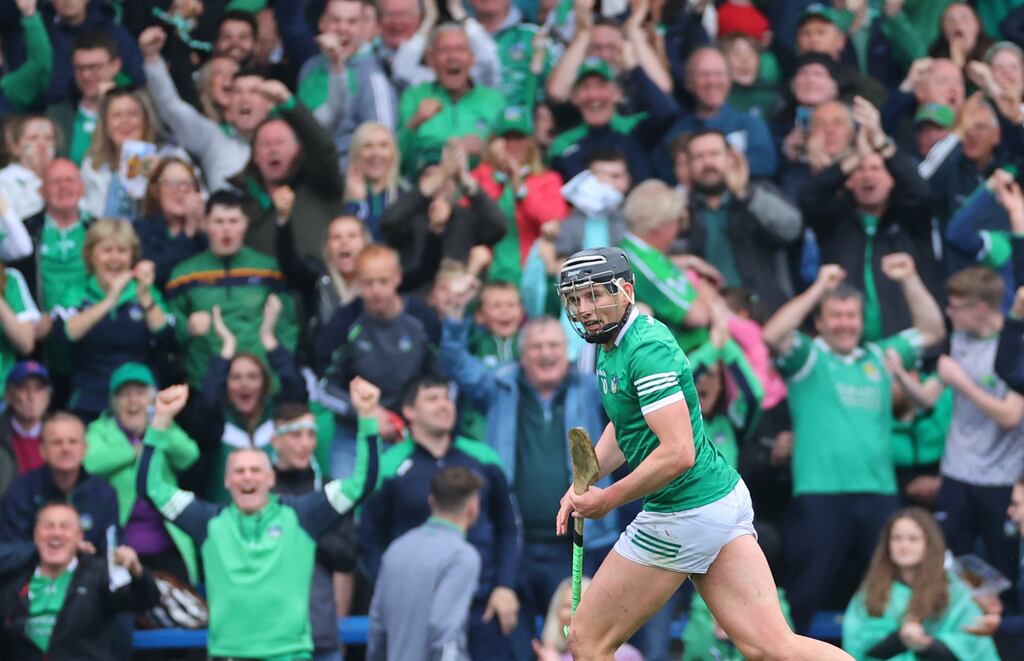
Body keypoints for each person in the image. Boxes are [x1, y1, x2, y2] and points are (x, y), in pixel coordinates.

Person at [553, 246, 853, 660]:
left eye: (594, 295)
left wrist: (608, 500)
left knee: (587, 639)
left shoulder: (645, 350)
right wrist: (585, 483)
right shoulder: (613, 346)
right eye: (575, 299)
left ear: (626, 291)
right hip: (717, 500)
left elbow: (679, 453)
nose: (584, 309)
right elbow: (626, 427)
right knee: (771, 647)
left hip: (684, 510)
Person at [761, 256, 946, 634]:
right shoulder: (809, 357)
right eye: (836, 316)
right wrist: (818, 288)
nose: (845, 324)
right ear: (820, 322)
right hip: (820, 493)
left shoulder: (879, 356)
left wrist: (910, 277)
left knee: (892, 588)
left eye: (851, 316)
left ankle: (895, 652)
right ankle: (790, 654)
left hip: (878, 493)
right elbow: (773, 335)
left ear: (862, 321)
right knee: (806, 589)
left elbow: (932, 330)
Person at [137, 378, 382, 660]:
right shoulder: (207, 521)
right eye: (239, 471)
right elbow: (149, 488)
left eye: (255, 470)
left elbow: (362, 483)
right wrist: (161, 421)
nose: (247, 477)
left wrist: (367, 417)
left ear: (270, 478)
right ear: (227, 481)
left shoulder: (303, 515)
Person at [360, 376, 524, 659]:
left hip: (484, 603)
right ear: (409, 411)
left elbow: (508, 526)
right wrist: (392, 591)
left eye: (447, 398)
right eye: (432, 398)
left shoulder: (484, 458)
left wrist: (505, 586)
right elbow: (368, 540)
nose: (444, 405)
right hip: (417, 605)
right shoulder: (388, 467)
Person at [165, 190, 299, 391]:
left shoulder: (268, 269)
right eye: (218, 222)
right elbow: (168, 326)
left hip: (262, 384)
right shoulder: (183, 274)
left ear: (246, 224)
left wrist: (279, 373)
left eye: (233, 221)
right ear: (205, 224)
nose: (226, 229)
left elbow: (287, 325)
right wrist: (188, 328)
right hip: (206, 384)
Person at [83, 363, 199, 584]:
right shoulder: (100, 429)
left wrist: (159, 427)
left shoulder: (163, 426)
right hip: (119, 544)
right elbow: (90, 462)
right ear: (113, 401)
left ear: (152, 399)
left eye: (140, 393)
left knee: (181, 597)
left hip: (166, 542)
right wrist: (137, 451)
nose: (133, 401)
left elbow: (189, 455)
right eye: (125, 394)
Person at [0, 502, 160, 660]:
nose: (56, 533)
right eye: (48, 526)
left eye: (65, 527)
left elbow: (146, 599)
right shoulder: (15, 582)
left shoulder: (99, 575)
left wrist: (137, 571)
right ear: (35, 535)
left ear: (79, 536)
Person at [50, 219, 170, 423]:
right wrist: (109, 300)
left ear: (132, 256)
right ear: (91, 255)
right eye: (107, 250)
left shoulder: (146, 292)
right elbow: (63, 335)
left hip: (140, 404)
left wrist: (145, 297)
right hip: (90, 401)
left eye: (122, 251)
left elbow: (167, 337)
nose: (115, 258)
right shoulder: (76, 292)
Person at [842, 508, 1000, 661]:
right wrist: (899, 638)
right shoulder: (872, 589)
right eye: (896, 538)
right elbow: (857, 643)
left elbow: (973, 646)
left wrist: (928, 645)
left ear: (929, 544)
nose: (904, 546)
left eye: (913, 539)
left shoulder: (954, 589)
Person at [366, 466, 483, 661]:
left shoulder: (397, 549)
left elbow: (377, 624)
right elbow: (445, 630)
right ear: (473, 508)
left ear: (431, 502)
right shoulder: (462, 557)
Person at [271, 402, 357, 661]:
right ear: (276, 440)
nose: (305, 443)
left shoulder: (331, 491)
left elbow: (346, 558)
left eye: (311, 434)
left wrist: (303, 529)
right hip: (270, 635)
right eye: (296, 435)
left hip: (321, 631)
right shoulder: (259, 493)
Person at [139, 26, 271, 193]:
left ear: (270, 104)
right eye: (237, 92)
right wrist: (152, 59)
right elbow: (172, 108)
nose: (244, 98)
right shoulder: (215, 139)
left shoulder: (286, 139)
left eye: (254, 92)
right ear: (229, 109)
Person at [683, 130, 802, 313]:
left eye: (714, 154)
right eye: (699, 157)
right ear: (688, 166)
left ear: (731, 158)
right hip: (710, 314)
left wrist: (745, 194)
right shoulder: (683, 210)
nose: (707, 163)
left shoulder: (757, 192)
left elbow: (792, 228)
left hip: (766, 313)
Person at [0, 412, 119, 573]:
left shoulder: (105, 494)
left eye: (73, 441)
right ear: (42, 450)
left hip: (89, 579)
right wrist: (55, 549)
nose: (65, 448)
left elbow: (111, 550)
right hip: (32, 579)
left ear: (84, 448)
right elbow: (5, 553)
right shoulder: (20, 492)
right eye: (57, 442)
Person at [397, 23, 505, 175]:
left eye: (460, 49)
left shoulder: (493, 100)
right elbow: (398, 160)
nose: (452, 57)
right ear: (430, 58)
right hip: (425, 183)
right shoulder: (414, 96)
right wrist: (415, 122)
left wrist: (484, 150)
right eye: (444, 50)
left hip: (480, 184)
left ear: (472, 58)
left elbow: (512, 156)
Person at [45, 31, 122, 166]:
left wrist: (108, 105)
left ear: (115, 66)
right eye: (79, 68)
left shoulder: (135, 112)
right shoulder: (58, 115)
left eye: (94, 67)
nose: (86, 75)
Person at [132, 156, 207, 289]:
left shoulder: (205, 230)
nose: (182, 189)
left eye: (189, 183)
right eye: (173, 183)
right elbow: (153, 275)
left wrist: (204, 230)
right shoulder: (140, 229)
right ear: (156, 191)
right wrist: (187, 234)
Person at [532, 576, 643, 661]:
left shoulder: (624, 655)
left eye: (580, 605)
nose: (573, 613)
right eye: (567, 606)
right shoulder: (550, 654)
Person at [0, 362, 51, 497]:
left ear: (48, 396)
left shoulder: (62, 436)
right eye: (23, 388)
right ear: (8, 395)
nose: (31, 396)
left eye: (38, 389)